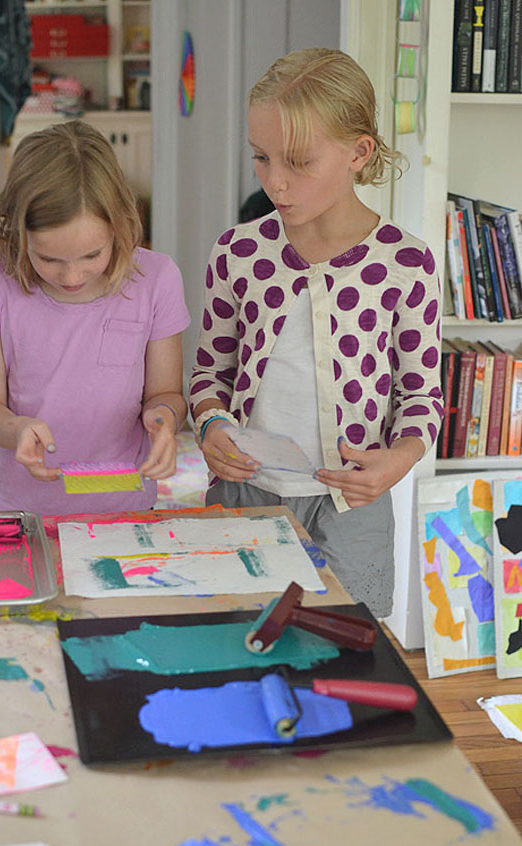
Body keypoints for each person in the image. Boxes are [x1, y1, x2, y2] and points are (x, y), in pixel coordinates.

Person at [189, 48, 443, 618]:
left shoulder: (407, 263)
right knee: (232, 637)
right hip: (242, 494)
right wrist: (209, 425)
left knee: (350, 649)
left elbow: (422, 396)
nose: (275, 181)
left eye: (299, 162)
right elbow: (210, 374)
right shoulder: (238, 252)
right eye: (261, 158)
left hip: (352, 507)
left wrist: (397, 461)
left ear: (359, 152)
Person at [0, 120, 189, 516]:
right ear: (16, 230)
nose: (72, 276)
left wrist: (164, 420)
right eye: (48, 258)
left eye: (92, 256)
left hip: (125, 506)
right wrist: (15, 429)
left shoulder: (157, 279)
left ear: (119, 225)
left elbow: (165, 393)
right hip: (20, 508)